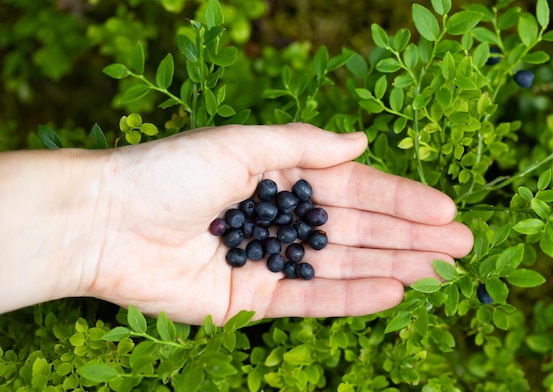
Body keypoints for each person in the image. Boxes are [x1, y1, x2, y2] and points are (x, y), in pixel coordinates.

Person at [0, 123, 474, 326]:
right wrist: (106, 209)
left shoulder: (274, 231)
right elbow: (269, 227)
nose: (287, 233)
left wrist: (100, 215)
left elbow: (279, 230)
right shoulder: (258, 227)